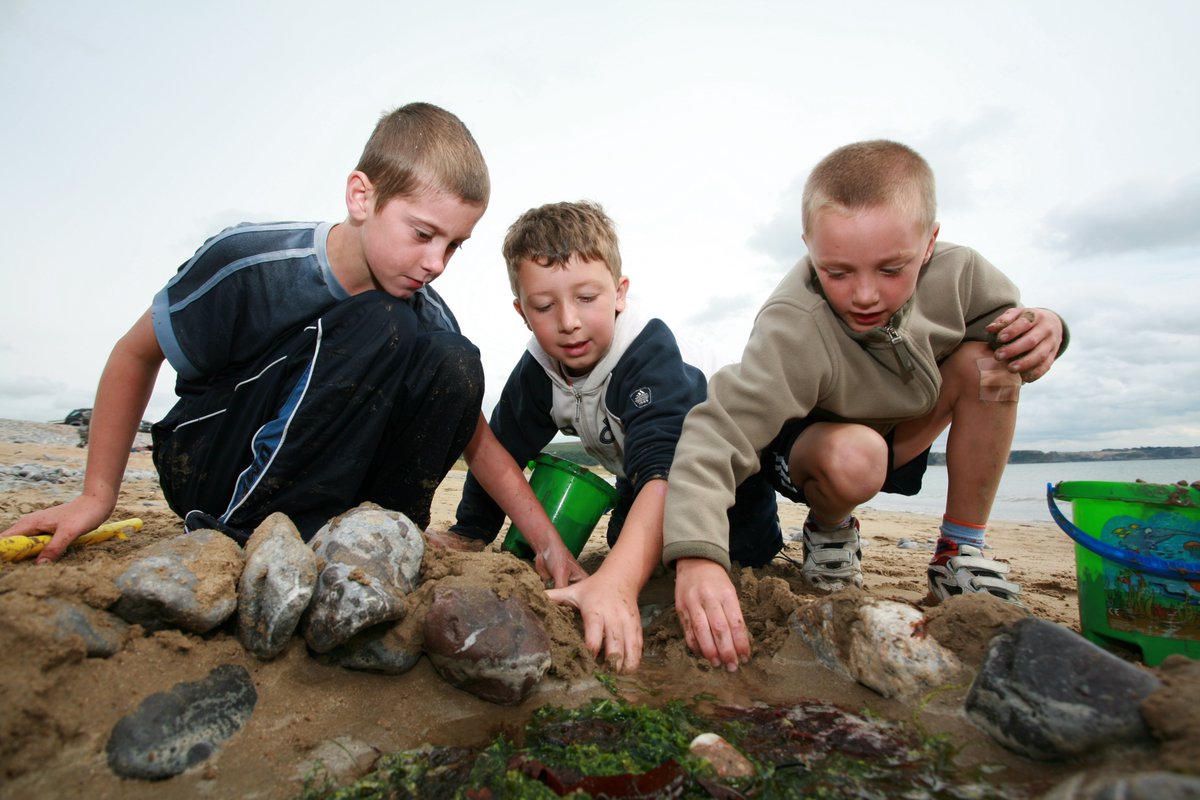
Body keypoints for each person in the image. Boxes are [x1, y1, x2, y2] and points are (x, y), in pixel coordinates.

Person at [1, 103, 581, 587]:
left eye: (454, 245)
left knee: (455, 358)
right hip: (214, 461)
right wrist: (96, 495)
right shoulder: (250, 262)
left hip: (329, 481)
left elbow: (476, 440)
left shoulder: (426, 309)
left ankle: (376, 539)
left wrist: (551, 548)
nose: (436, 263)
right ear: (361, 197)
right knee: (384, 322)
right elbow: (135, 354)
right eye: (423, 234)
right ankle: (242, 532)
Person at [664, 140, 1069, 672]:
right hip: (820, 450)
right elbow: (717, 433)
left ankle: (959, 552)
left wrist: (1049, 331)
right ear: (809, 247)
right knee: (857, 455)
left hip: (905, 428)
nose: (864, 295)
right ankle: (831, 528)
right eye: (837, 272)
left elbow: (1016, 322)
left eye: (890, 269)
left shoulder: (963, 274)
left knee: (989, 363)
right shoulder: (793, 322)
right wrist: (697, 555)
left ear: (929, 243)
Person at [444, 201, 781, 672]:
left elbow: (668, 468)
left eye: (587, 298)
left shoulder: (648, 354)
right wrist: (472, 530)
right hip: (638, 471)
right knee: (629, 539)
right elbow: (500, 447)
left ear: (619, 293)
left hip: (724, 475)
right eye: (544, 306)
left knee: (747, 550)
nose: (568, 322)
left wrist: (617, 584)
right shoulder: (536, 372)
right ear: (522, 312)